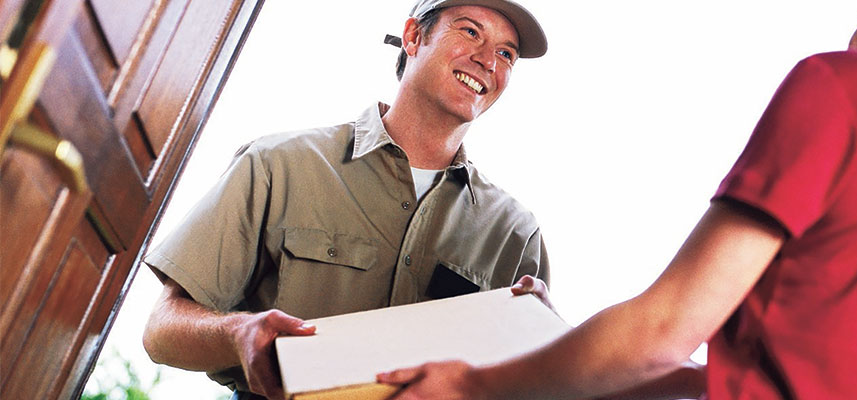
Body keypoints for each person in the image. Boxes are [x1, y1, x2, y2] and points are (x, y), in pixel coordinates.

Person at [376, 0, 857, 398]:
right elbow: (789, 372)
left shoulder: (849, 89)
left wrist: (474, 387)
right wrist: (563, 352)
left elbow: (663, 330)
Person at [140, 1, 553, 399]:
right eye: (469, 31)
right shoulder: (278, 165)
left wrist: (543, 342)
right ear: (413, 36)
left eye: (506, 53)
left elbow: (539, 382)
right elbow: (162, 330)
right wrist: (238, 334)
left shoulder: (515, 233)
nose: (488, 61)